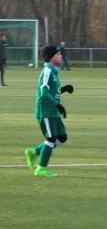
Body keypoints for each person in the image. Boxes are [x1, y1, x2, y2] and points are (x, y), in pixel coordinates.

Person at [24, 45, 74, 177]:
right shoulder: (47, 72)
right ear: (51, 58)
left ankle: (34, 152)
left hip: (53, 112)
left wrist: (64, 89)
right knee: (51, 139)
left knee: (62, 137)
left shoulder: (53, 72)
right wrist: (57, 105)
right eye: (58, 54)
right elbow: (44, 94)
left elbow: (52, 91)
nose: (61, 56)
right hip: (46, 112)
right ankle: (41, 168)